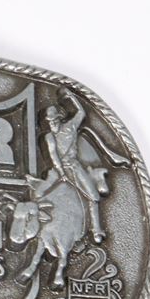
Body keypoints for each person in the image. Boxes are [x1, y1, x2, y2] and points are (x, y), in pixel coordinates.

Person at [42, 87, 105, 243]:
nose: (52, 123)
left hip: (75, 167)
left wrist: (72, 97)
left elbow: (81, 113)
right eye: (49, 121)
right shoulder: (49, 137)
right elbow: (53, 155)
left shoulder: (70, 128)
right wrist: (61, 172)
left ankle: (96, 229)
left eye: (54, 120)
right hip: (58, 170)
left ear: (60, 119)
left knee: (94, 196)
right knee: (40, 194)